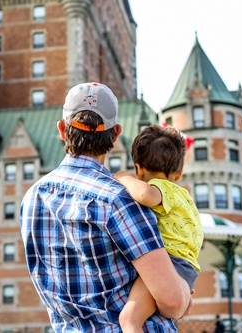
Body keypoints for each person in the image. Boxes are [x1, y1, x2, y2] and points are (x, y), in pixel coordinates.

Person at [20, 82, 192, 332]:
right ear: (115, 135)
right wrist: (185, 291)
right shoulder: (119, 198)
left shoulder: (32, 199)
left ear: (61, 129)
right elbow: (173, 301)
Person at [114, 125, 204, 333]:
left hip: (169, 264)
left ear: (139, 168)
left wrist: (123, 177)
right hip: (186, 268)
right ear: (179, 173)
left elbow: (146, 195)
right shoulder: (186, 198)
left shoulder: (163, 188)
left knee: (129, 320)